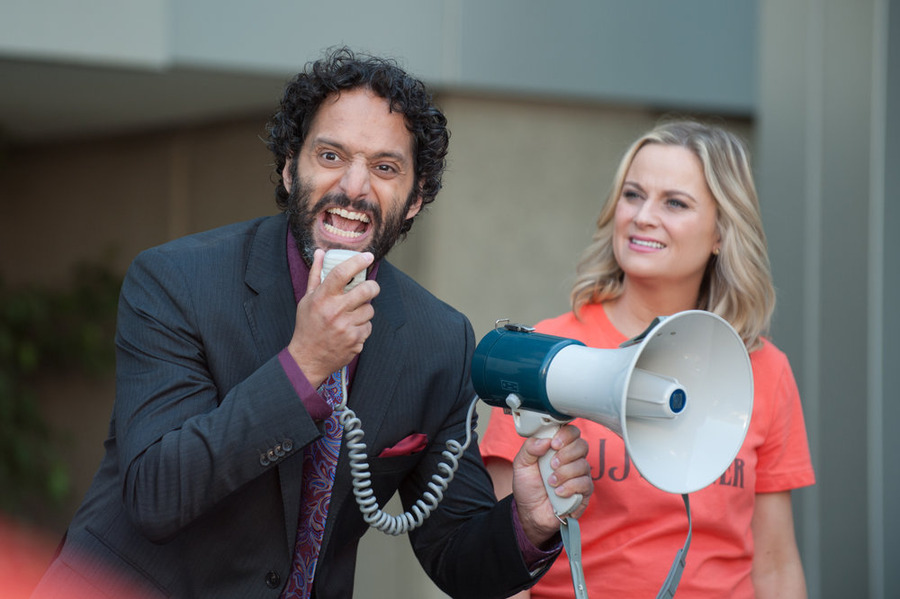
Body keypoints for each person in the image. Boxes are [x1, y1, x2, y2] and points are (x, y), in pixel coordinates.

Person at [30, 47, 593, 599]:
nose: (353, 187)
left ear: (417, 197)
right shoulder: (176, 281)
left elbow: (457, 558)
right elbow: (157, 493)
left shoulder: (440, 341)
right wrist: (304, 366)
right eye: (330, 157)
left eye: (385, 167)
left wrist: (528, 522)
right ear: (288, 165)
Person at [480, 120, 815, 598]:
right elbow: (500, 558)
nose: (642, 217)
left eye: (674, 203)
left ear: (721, 232)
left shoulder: (764, 368)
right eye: (633, 195)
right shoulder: (545, 353)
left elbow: (776, 566)